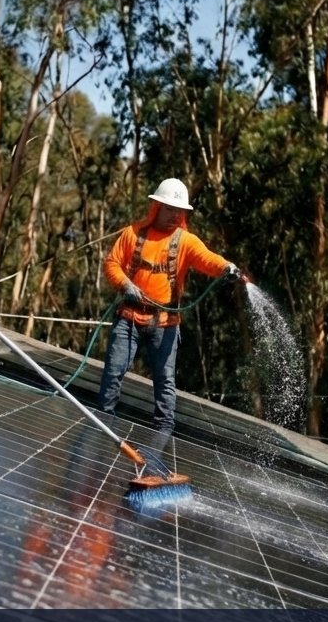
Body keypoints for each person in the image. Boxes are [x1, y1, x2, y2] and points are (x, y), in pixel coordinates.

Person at [98, 178, 242, 433]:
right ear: (156, 207)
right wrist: (125, 285)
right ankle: (103, 423)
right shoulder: (133, 233)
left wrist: (226, 267)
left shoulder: (185, 241)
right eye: (169, 209)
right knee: (114, 370)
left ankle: (164, 433)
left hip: (165, 323)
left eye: (179, 210)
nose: (174, 215)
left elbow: (208, 259)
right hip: (129, 316)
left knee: (164, 381)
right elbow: (112, 263)